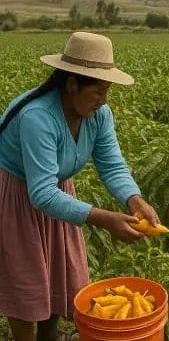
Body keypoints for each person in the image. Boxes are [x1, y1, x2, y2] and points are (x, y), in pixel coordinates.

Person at [0, 32, 160, 341]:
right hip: (17, 197)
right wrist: (105, 219)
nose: (104, 100)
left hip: (55, 194)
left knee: (57, 274)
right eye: (98, 91)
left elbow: (112, 164)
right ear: (72, 84)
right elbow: (41, 193)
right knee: (26, 283)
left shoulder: (98, 115)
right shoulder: (38, 117)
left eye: (107, 91)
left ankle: (50, 334)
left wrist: (134, 200)